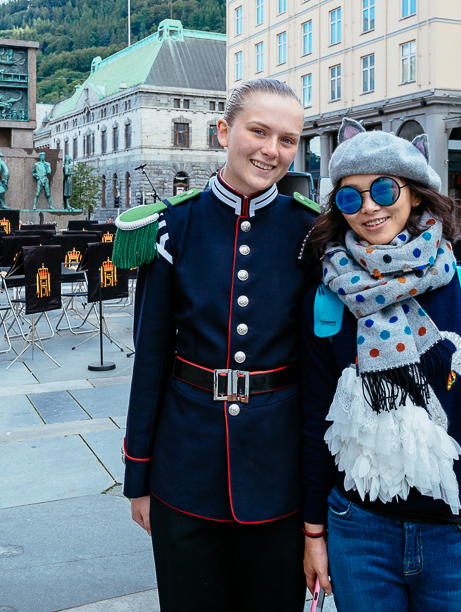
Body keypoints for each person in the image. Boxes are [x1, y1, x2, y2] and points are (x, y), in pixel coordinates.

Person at [300, 120, 461, 612]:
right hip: (359, 531)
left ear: (417, 193)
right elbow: (316, 422)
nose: (369, 207)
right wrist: (313, 531)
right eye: (351, 197)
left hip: (459, 531)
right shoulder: (329, 299)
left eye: (384, 189)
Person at [118, 77, 318, 612]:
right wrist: (139, 475)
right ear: (224, 132)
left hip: (278, 473)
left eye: (288, 139)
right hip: (185, 469)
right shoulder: (173, 226)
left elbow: (321, 371)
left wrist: (320, 500)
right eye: (259, 131)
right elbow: (150, 360)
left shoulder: (311, 233)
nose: (272, 150)